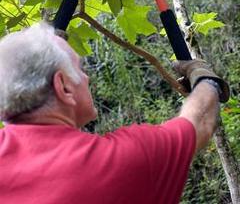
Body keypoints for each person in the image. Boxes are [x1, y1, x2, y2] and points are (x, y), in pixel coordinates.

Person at [0, 22, 229, 204]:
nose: (87, 78)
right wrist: (204, 77)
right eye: (80, 69)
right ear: (64, 87)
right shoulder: (122, 161)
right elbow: (200, 121)